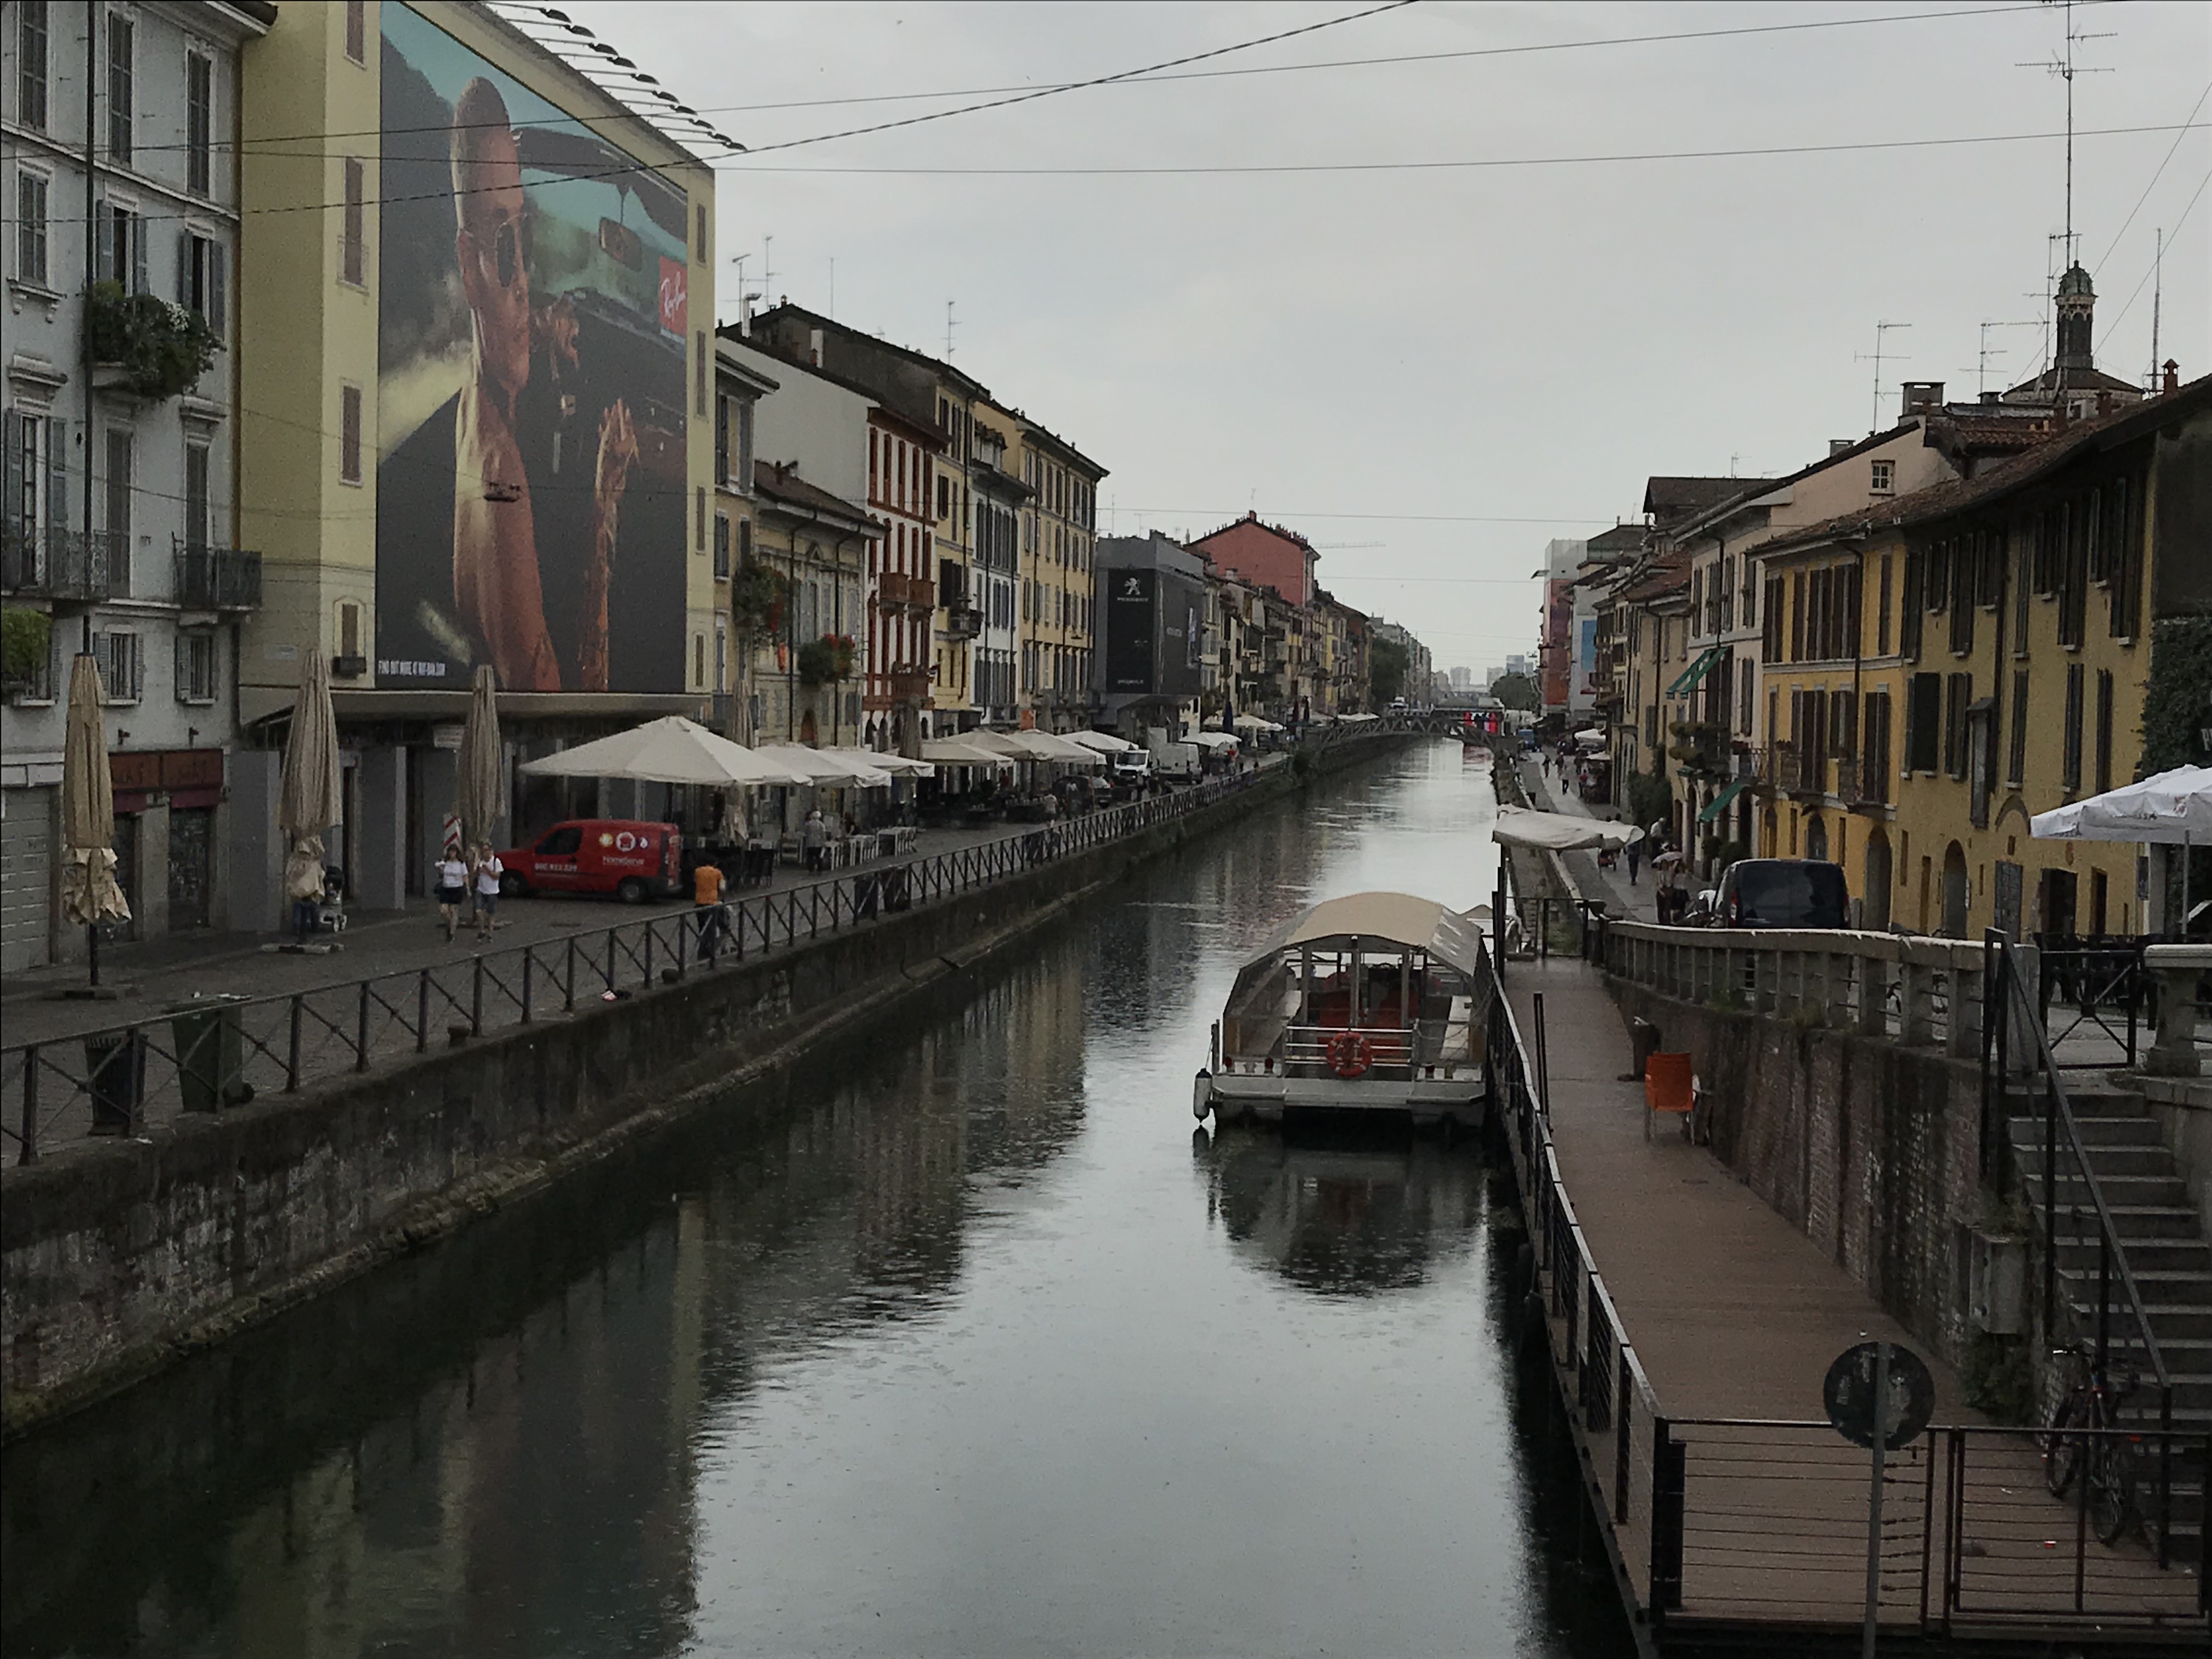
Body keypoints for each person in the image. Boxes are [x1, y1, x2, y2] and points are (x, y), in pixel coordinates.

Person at [693, 857, 727, 960]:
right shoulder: (717, 873)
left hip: (699, 903)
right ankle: (708, 953)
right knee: (712, 930)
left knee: (702, 929)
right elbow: (722, 888)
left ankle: (702, 951)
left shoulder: (697, 871)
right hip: (712, 903)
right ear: (715, 863)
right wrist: (722, 899)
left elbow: (696, 883)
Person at [435, 849, 469, 943]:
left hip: (457, 888)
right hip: (446, 888)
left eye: (454, 852)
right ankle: (448, 924)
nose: (452, 854)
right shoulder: (445, 863)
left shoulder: (461, 864)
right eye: (450, 852)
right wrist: (441, 871)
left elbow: (465, 876)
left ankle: (452, 933)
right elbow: (441, 876)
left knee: (454, 910)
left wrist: (468, 889)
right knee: (444, 910)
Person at [471, 843, 504, 941]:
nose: (484, 853)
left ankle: (490, 932)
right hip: (481, 889)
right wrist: (477, 869)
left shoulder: (496, 862)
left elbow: (496, 876)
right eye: (483, 851)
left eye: (486, 851)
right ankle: (482, 930)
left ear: (490, 851)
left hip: (492, 891)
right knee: (478, 910)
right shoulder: (480, 862)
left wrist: (487, 869)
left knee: (491, 913)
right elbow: (475, 875)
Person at [802, 809, 829, 873]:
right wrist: (824, 842)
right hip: (819, 843)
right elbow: (823, 834)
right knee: (819, 857)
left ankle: (811, 869)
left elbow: (806, 833)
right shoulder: (822, 825)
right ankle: (820, 870)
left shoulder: (809, 824)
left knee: (810, 857)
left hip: (810, 842)